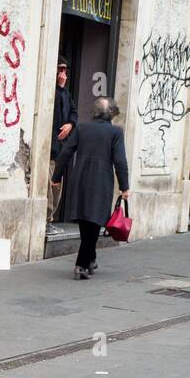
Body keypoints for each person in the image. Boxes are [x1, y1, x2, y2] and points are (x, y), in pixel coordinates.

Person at [52, 96, 129, 280]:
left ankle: (91, 257)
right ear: (112, 113)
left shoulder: (82, 128)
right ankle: (81, 264)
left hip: (80, 180)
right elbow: (120, 161)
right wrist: (124, 186)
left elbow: (66, 153)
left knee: (87, 222)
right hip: (101, 183)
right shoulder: (115, 133)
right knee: (94, 223)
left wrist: (57, 176)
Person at [48, 57, 78, 229]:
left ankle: (50, 219)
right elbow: (54, 110)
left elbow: (74, 112)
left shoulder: (65, 92)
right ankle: (46, 220)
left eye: (65, 70)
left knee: (57, 187)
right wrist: (59, 87)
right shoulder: (54, 90)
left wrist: (71, 124)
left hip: (61, 149)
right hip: (51, 147)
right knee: (49, 185)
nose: (63, 74)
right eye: (60, 69)